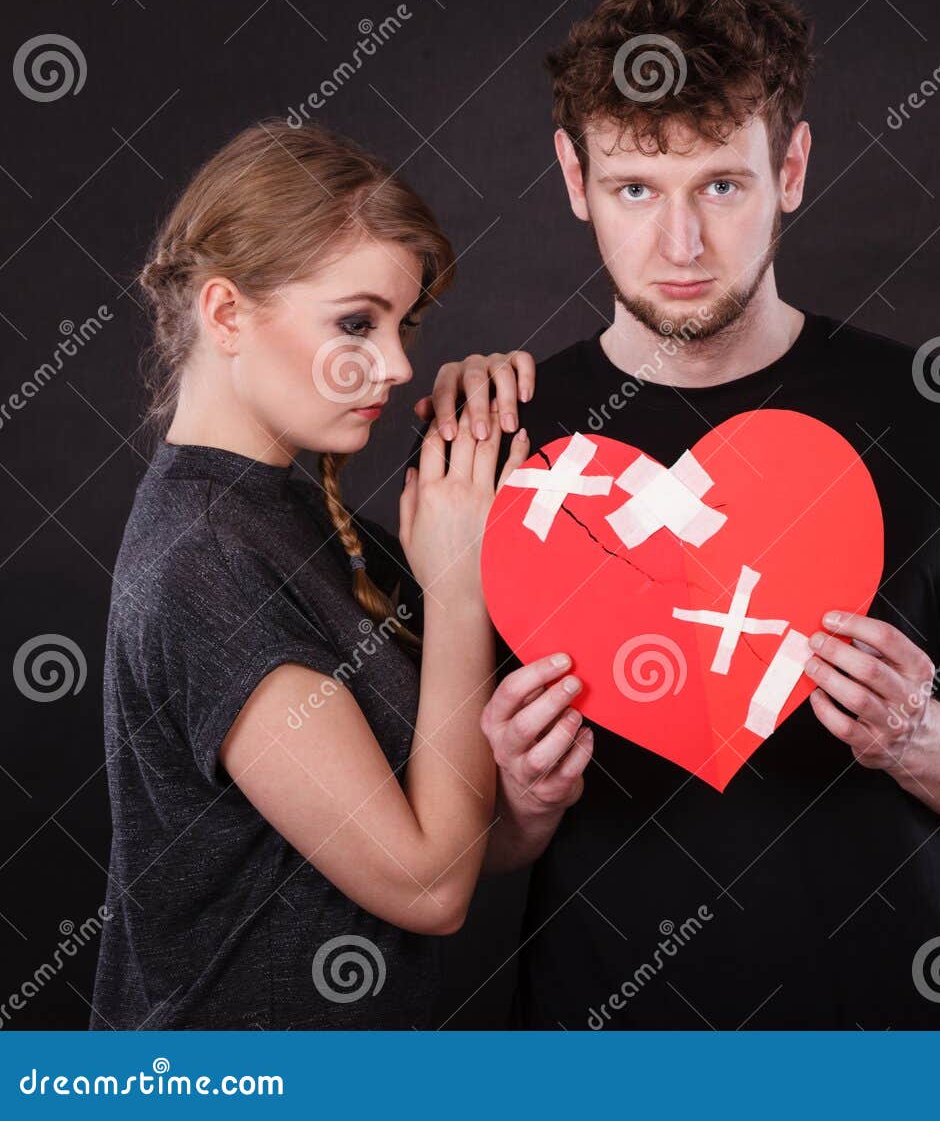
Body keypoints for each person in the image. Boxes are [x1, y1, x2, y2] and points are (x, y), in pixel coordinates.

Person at [418, 0, 940, 1028]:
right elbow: (446, 856)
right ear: (573, 177)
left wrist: (919, 734)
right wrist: (521, 802)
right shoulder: (498, 446)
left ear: (792, 167)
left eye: (720, 185)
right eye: (637, 188)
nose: (680, 246)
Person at [91, 121, 577, 1028]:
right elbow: (427, 886)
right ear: (227, 314)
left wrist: (526, 813)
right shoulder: (206, 557)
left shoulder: (291, 511)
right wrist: (458, 585)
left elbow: (433, 830)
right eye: (357, 322)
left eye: (403, 325)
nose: (395, 365)